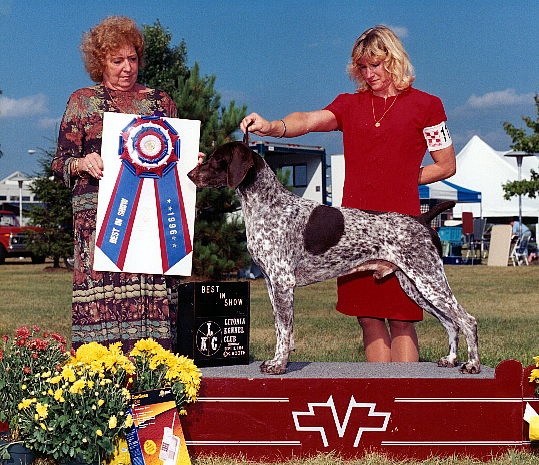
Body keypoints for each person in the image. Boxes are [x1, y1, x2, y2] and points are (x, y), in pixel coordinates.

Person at [240, 25, 456, 363]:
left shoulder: (427, 105)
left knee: (402, 319)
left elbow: (446, 165)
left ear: (395, 60)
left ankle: (407, 399)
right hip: (350, 228)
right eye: (363, 67)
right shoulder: (349, 105)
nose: (369, 74)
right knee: (368, 318)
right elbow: (308, 120)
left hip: (401, 223)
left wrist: (401, 179)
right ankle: (381, 400)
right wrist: (272, 126)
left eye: (377, 65)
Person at [52, 16, 180, 353]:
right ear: (100, 63)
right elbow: (60, 162)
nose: (127, 68)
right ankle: (100, 386)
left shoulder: (161, 102)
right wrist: (81, 163)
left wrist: (189, 159)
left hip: (149, 222)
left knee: (151, 298)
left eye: (132, 59)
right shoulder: (81, 101)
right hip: (98, 226)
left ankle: (154, 380)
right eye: (117, 60)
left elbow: (174, 158)